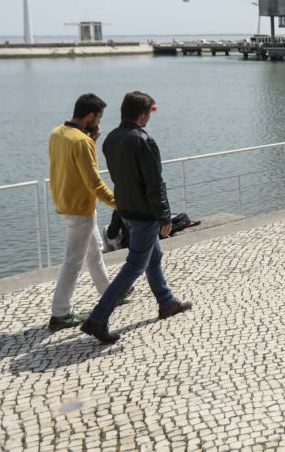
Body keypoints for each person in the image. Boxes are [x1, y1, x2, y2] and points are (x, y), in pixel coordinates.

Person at [80, 92, 191, 344]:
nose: (150, 117)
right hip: (144, 215)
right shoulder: (143, 141)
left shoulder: (110, 139)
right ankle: (98, 318)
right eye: (150, 112)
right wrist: (164, 216)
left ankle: (166, 302)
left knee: (155, 256)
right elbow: (154, 183)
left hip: (125, 210)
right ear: (143, 113)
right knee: (135, 266)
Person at [47, 94, 118, 332]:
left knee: (94, 252)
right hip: (81, 208)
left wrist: (92, 142)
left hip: (65, 201)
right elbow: (94, 181)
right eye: (98, 118)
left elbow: (73, 165)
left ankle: (109, 293)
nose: (99, 122)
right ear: (89, 116)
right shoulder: (81, 142)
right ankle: (60, 313)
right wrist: (120, 203)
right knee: (73, 261)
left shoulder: (57, 133)